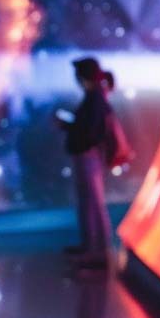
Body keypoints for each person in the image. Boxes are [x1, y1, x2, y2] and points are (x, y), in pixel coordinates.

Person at [56, 57, 113, 269]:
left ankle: (97, 252)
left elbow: (90, 130)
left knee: (93, 203)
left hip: (88, 156)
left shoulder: (95, 98)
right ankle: (92, 248)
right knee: (89, 202)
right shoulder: (96, 97)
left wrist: (70, 127)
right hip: (88, 155)